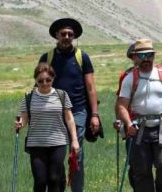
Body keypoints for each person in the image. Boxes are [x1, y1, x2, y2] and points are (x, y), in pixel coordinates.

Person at [39, 18, 101, 192]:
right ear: (56, 36)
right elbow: (40, 84)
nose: (66, 37)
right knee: (56, 156)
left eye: (70, 34)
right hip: (53, 113)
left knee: (76, 154)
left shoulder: (82, 57)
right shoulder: (47, 57)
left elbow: (90, 87)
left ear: (74, 37)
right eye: (63, 34)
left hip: (79, 112)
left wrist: (94, 115)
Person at [116, 39, 162, 192]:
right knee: (141, 170)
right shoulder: (129, 78)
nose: (146, 59)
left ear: (154, 56)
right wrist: (128, 124)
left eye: (149, 55)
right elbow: (121, 105)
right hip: (138, 130)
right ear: (135, 57)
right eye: (142, 56)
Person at [15, 63, 80, 192]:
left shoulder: (62, 95)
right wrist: (20, 124)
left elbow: (69, 118)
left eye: (48, 80)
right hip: (36, 144)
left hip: (58, 142)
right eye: (40, 81)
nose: (44, 83)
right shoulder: (28, 97)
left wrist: (74, 140)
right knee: (40, 181)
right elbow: (24, 118)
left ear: (53, 79)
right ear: (35, 80)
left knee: (54, 179)